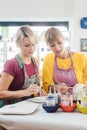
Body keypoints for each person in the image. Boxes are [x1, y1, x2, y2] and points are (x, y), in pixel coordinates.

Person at [0, 25, 45, 106]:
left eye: (34, 44)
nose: (32, 49)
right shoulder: (12, 64)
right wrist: (25, 92)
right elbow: (1, 93)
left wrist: (38, 91)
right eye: (27, 46)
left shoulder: (35, 62)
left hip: (29, 106)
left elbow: (35, 88)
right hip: (11, 108)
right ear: (18, 44)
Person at [42, 27, 87, 95]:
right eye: (52, 45)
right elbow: (46, 84)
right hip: (58, 100)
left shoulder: (81, 58)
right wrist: (56, 88)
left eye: (59, 43)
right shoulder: (48, 58)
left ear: (64, 39)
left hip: (79, 100)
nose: (57, 48)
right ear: (48, 46)